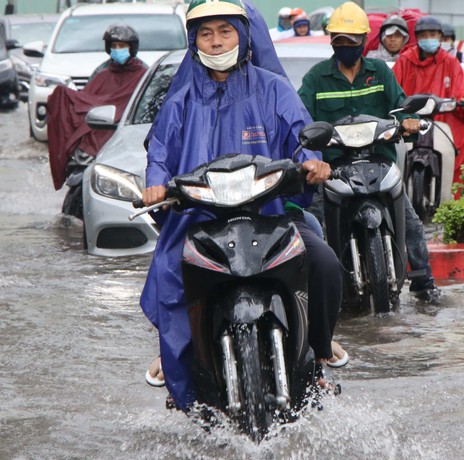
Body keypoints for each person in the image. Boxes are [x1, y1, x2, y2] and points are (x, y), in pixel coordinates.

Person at [141, 0, 344, 410]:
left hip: (271, 215)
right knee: (168, 270)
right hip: (200, 217)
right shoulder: (180, 100)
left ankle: (318, 353)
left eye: (225, 31)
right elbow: (160, 152)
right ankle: (177, 352)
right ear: (193, 40)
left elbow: (301, 134)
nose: (216, 42)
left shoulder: (273, 88)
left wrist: (312, 163)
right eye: (205, 33)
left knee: (323, 261)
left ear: (244, 34)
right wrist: (155, 185)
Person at [297, 1, 441, 303]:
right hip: (334, 169)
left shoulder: (381, 73)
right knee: (310, 226)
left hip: (379, 162)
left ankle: (425, 286)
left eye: (352, 39)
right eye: (339, 39)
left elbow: (400, 107)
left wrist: (408, 122)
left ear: (364, 40)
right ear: (331, 40)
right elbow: (300, 119)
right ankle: (310, 294)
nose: (345, 45)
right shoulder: (315, 78)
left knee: (412, 223)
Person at [46, 24, 148, 215]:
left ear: (132, 47)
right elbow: (86, 101)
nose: (118, 50)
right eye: (114, 45)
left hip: (128, 134)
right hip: (98, 133)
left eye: (122, 45)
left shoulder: (144, 74)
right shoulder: (101, 73)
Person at [392, 16, 464, 188]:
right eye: (424, 35)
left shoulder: (449, 61)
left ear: (441, 37)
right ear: (417, 38)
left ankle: (461, 190)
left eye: (433, 34)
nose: (428, 38)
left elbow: (462, 87)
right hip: (410, 118)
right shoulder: (405, 59)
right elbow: (393, 89)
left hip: (444, 118)